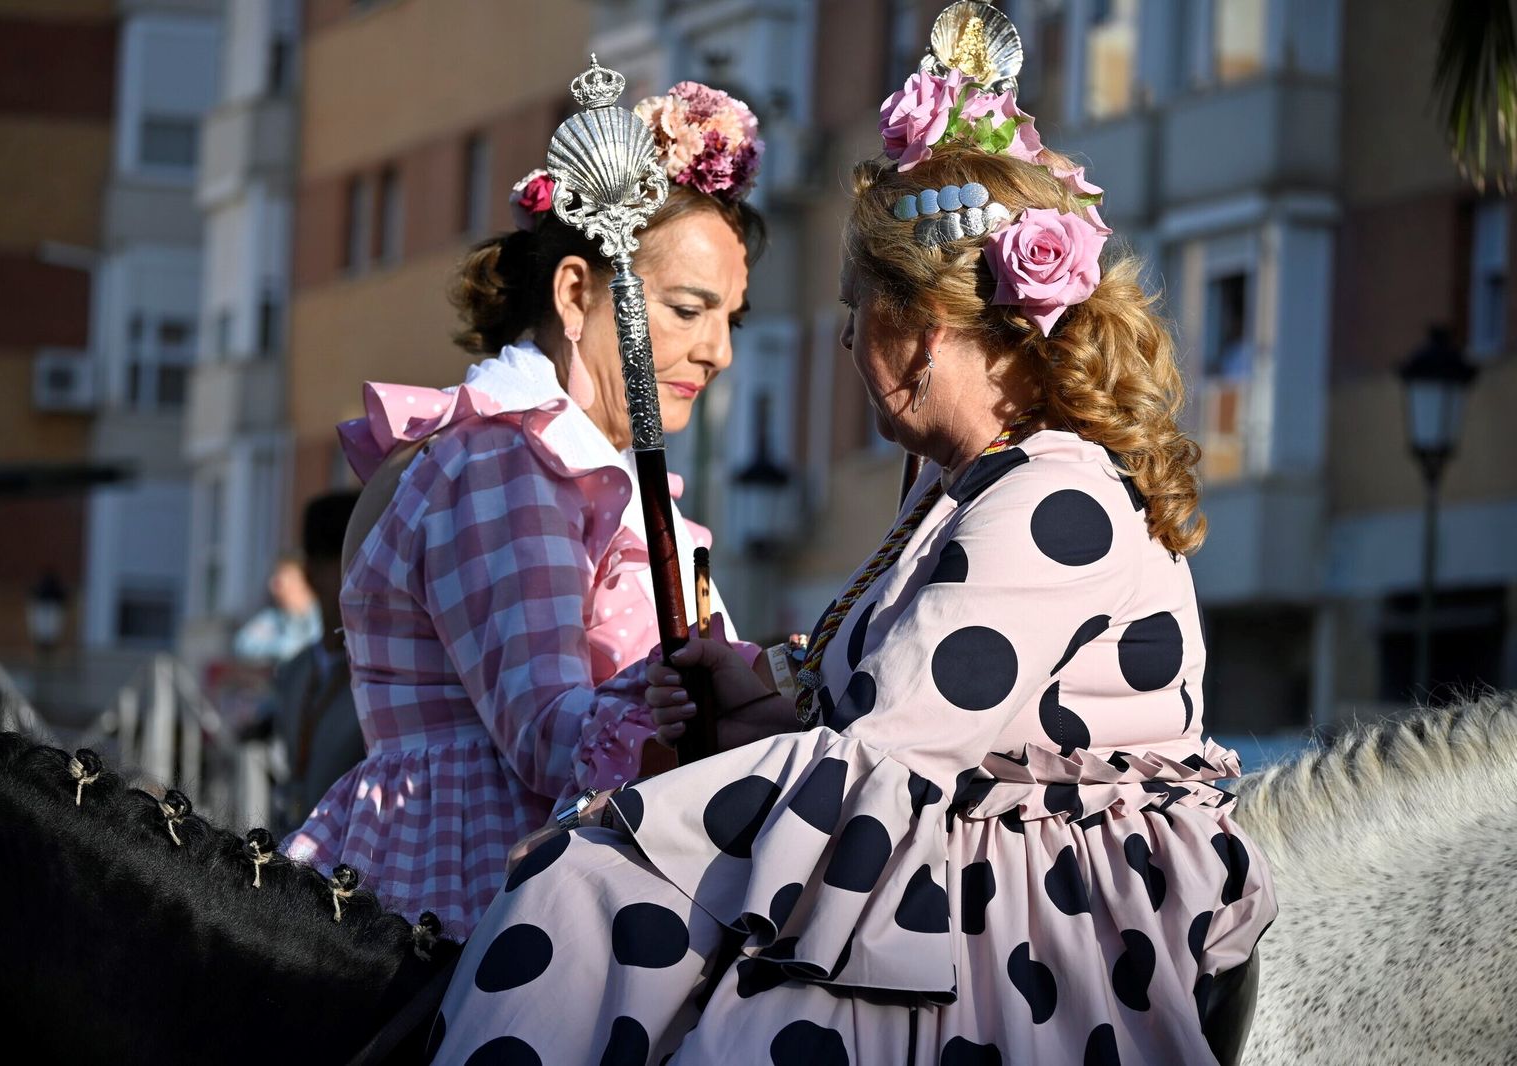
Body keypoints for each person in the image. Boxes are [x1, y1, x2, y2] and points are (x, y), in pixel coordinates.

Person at [429, 40, 1276, 1066]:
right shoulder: (964, 486)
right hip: (956, 865)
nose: (841, 344)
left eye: (851, 312)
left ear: (918, 330)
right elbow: (884, 702)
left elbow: (886, 745)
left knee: (608, 902)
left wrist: (627, 830)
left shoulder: (1055, 491)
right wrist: (757, 687)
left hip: (1041, 918)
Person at [285, 81, 774, 941]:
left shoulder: (558, 464)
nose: (720, 351)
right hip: (484, 887)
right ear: (577, 294)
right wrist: (692, 694)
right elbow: (549, 735)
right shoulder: (508, 461)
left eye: (732, 318)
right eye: (690, 309)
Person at [241, 492, 367, 836]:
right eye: (349, 562)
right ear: (312, 573)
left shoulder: (382, 677)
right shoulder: (296, 671)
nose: (367, 576)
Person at [231, 554, 321, 664]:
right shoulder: (272, 618)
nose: (273, 588)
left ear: (302, 581)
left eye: (279, 582)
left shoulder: (325, 616)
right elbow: (243, 644)